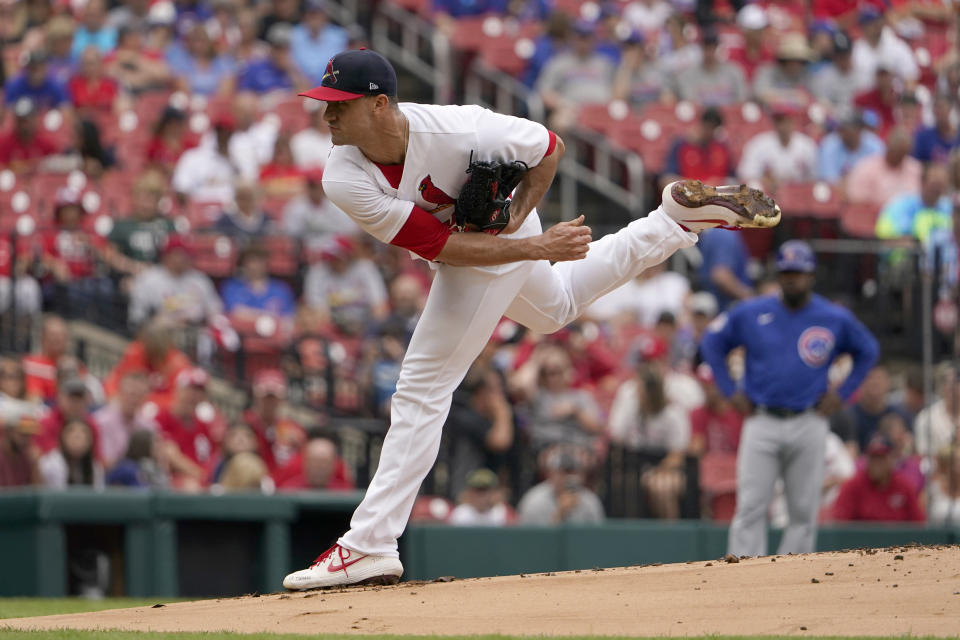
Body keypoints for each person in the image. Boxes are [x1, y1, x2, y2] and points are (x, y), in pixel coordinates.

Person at [282, 48, 780, 589]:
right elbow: (443, 246)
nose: (326, 115)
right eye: (324, 104)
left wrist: (522, 223)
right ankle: (673, 222)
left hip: (503, 233)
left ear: (379, 104)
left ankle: (369, 543)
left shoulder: (460, 130)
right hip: (472, 247)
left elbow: (549, 146)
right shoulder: (342, 175)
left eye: (339, 105)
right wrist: (535, 244)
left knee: (422, 388)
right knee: (556, 309)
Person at [700, 240, 879, 557]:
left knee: (802, 509)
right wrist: (730, 390)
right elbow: (713, 342)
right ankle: (741, 577)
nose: (792, 278)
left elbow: (868, 350)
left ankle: (794, 581)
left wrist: (842, 393)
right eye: (786, 272)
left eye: (798, 272)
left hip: (809, 419)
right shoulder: (753, 311)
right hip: (762, 419)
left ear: (811, 275)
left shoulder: (831, 316)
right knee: (751, 505)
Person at [442, 364, 514, 500]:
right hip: (465, 497)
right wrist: (503, 412)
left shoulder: (491, 419)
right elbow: (500, 441)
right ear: (481, 392)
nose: (501, 393)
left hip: (487, 496)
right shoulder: (465, 417)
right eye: (495, 389)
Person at [127, 234, 222, 329]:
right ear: (168, 255)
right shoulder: (149, 279)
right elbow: (137, 318)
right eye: (181, 255)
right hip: (161, 334)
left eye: (189, 254)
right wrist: (156, 322)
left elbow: (215, 311)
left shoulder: (200, 279)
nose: (186, 258)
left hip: (196, 330)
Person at [535, 21, 614, 132]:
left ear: (593, 40)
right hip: (573, 112)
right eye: (580, 37)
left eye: (587, 38)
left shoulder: (604, 63)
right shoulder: (559, 62)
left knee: (621, 124)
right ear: (573, 38)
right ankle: (565, 150)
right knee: (560, 122)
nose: (583, 42)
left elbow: (615, 92)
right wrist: (563, 104)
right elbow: (545, 92)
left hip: (601, 111)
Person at [831, 434, 924, 522]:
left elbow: (918, 524)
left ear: (890, 459)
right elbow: (839, 525)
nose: (876, 464)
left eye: (881, 458)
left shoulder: (904, 486)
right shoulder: (853, 486)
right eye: (873, 458)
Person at [737, 104, 818, 191]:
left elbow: (815, 179)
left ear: (793, 121)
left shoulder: (807, 145)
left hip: (798, 195)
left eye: (786, 120)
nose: (782, 125)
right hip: (767, 195)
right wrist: (765, 180)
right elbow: (746, 174)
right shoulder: (759, 144)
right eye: (779, 121)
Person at [516, 447, 605, 525]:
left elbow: (597, 539)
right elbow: (527, 540)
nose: (568, 477)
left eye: (573, 471)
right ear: (550, 473)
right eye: (563, 472)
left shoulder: (590, 501)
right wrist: (560, 514)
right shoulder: (534, 501)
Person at [844, 128, 922, 209]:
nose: (897, 155)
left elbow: (919, 199)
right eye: (895, 151)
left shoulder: (914, 168)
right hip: (874, 217)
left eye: (902, 152)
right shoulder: (867, 168)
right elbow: (855, 199)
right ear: (887, 145)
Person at [875, 162, 952, 245]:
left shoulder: (950, 208)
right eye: (934, 184)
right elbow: (884, 239)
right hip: (906, 257)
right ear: (922, 182)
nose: (937, 189)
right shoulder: (900, 206)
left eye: (941, 185)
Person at [281, 169, 359, 249]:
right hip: (305, 251)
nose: (316, 190)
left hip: (334, 252)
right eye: (312, 186)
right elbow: (291, 234)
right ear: (306, 186)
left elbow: (349, 231)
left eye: (319, 185)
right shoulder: (295, 207)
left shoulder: (337, 205)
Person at [92, 370, 153, 470]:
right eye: (132, 394)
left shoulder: (148, 425)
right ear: (119, 393)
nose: (135, 399)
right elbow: (105, 463)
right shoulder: (101, 421)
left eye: (140, 395)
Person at [662, 107, 735, 187]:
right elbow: (667, 179)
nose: (709, 132)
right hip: (689, 195)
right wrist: (697, 185)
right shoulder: (680, 146)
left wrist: (719, 182)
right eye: (707, 127)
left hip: (718, 196)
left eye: (713, 129)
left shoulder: (722, 148)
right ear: (700, 125)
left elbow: (733, 179)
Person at [830, 364, 894, 454]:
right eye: (870, 378)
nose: (875, 383)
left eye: (879, 379)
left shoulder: (897, 415)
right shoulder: (847, 416)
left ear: (888, 383)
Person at [674, 30, 747, 106]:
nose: (709, 52)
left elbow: (741, 101)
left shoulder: (733, 71)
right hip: (701, 117)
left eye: (713, 48)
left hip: (730, 116)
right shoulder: (688, 74)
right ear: (701, 48)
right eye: (706, 48)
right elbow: (690, 103)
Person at [817, 109, 885, 184]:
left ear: (860, 130)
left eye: (846, 128)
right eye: (840, 128)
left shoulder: (874, 145)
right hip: (839, 192)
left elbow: (882, 177)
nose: (841, 131)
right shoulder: (829, 144)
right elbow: (829, 180)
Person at [290, 0, 348, 86]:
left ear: (325, 16)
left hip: (332, 85)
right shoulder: (294, 34)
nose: (315, 19)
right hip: (301, 86)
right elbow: (288, 63)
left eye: (318, 14)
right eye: (311, 14)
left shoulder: (340, 36)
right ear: (304, 16)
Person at [695, 229, 753, 311]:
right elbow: (721, 276)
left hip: (715, 307)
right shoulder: (722, 234)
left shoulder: (716, 233)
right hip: (725, 308)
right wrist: (750, 298)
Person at [37, 419, 104, 488]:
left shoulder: (95, 467)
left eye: (84, 433)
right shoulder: (48, 464)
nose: (78, 437)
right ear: (62, 437)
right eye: (72, 432)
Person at [23, 315, 71, 403]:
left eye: (61, 335)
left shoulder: (75, 367)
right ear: (42, 337)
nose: (57, 338)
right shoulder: (28, 363)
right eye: (53, 334)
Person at [448, 468, 514, 526]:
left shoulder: (502, 513)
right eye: (477, 490)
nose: (481, 496)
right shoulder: (460, 514)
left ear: (493, 492)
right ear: (469, 492)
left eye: (484, 490)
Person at [913, 95, 960, 165]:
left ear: (950, 109)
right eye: (936, 108)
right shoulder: (923, 137)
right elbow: (915, 164)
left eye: (942, 107)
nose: (939, 111)